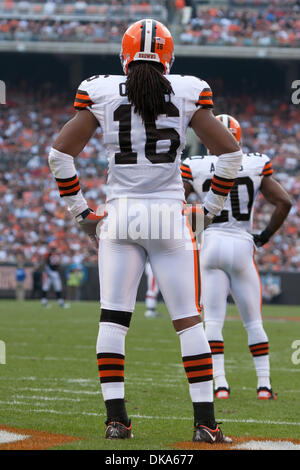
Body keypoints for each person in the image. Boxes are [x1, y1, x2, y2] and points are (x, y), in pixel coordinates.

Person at [48, 19, 243, 442]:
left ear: (124, 54)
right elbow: (230, 153)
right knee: (190, 323)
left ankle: (117, 421)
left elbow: (60, 155)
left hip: (119, 217)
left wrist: (80, 212)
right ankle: (205, 425)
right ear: (169, 58)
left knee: (114, 320)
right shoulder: (190, 89)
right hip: (169, 217)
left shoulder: (98, 90)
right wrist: (209, 209)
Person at [181, 113, 292, 400]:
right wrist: (264, 236)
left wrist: (193, 230)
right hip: (242, 244)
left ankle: (220, 385)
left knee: (213, 321)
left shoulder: (195, 165)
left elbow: (176, 204)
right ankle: (264, 386)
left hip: (211, 244)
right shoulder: (255, 162)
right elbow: (284, 202)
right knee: (253, 322)